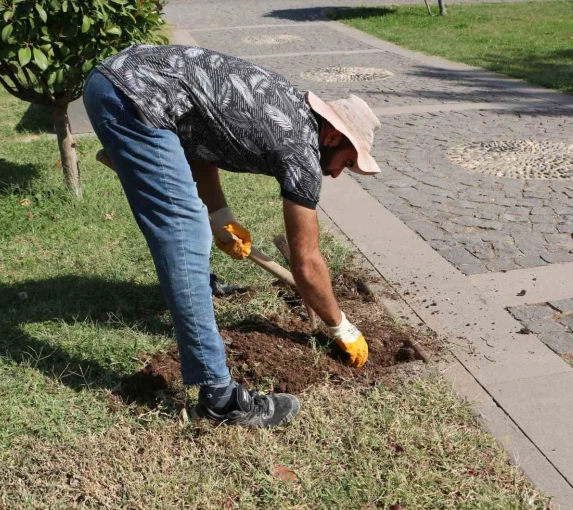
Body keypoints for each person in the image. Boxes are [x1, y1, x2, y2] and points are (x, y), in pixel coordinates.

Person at [83, 44, 382, 428]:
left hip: (118, 80)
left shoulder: (285, 104)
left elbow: (200, 145)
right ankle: (219, 397)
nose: (340, 173)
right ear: (332, 137)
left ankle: (199, 284)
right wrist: (341, 326)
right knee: (185, 235)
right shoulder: (301, 151)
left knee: (192, 221)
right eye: (349, 160)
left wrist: (221, 217)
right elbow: (306, 261)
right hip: (137, 96)